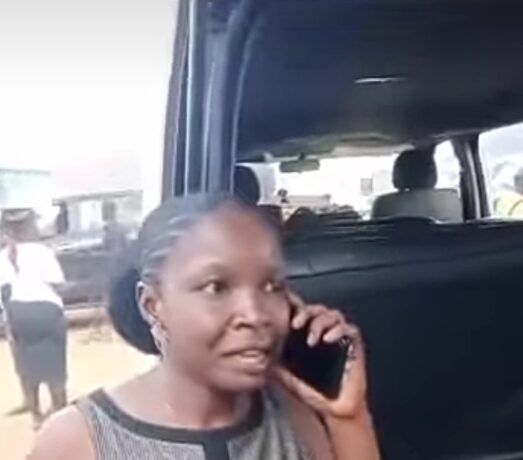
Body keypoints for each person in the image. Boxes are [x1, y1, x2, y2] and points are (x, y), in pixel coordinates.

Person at [29, 194, 380, 459]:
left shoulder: (293, 416)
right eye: (216, 287)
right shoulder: (80, 440)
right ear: (153, 305)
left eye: (271, 286)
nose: (255, 314)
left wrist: (348, 417)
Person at [0, 210, 67, 429]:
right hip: (46, 310)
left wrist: (9, 322)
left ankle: (36, 416)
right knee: (55, 365)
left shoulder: (3, 255)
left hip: (19, 312)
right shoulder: (42, 252)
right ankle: (59, 412)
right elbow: (57, 283)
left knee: (26, 365)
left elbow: (4, 292)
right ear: (29, 228)